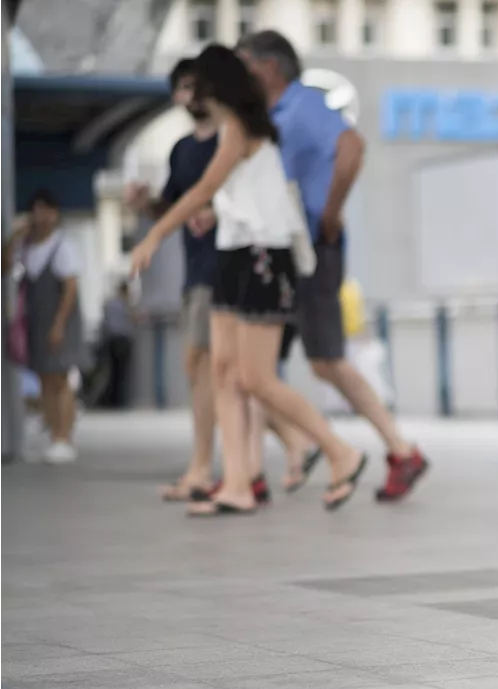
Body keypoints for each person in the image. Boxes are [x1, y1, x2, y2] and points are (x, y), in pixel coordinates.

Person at [130, 44, 367, 515]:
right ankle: (237, 483)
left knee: (256, 378)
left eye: (197, 85)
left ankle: (340, 451)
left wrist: (155, 234)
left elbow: (205, 187)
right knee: (224, 373)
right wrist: (206, 215)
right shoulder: (231, 131)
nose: (191, 96)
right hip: (234, 254)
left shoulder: (241, 128)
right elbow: (227, 195)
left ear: (215, 85)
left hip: (263, 256)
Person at [236, 30, 429, 503]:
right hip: (282, 252)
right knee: (255, 366)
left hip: (311, 250)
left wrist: (331, 211)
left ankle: (400, 450)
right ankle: (256, 470)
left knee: (325, 362)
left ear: (269, 67)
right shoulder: (272, 116)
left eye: (244, 65)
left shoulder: (303, 105)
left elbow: (352, 146)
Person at [126, 58, 221, 499]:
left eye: (195, 85)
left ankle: (208, 469)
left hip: (230, 269)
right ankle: (296, 449)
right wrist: (148, 206)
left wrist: (216, 211)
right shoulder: (182, 150)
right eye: (181, 87)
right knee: (214, 370)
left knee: (218, 370)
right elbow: (175, 208)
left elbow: (239, 198)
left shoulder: (232, 138)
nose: (189, 95)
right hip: (195, 269)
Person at [1, 190, 85, 464]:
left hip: (59, 319)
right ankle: (54, 435)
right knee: (45, 379)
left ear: (55, 214)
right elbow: (4, 266)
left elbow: (71, 289)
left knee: (60, 378)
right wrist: (14, 234)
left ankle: (65, 437)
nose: (40, 217)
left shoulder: (63, 246)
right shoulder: (26, 245)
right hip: (36, 320)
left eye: (45, 211)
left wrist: (59, 324)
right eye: (35, 211)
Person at [99, 280, 135, 409]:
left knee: (113, 372)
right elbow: (132, 320)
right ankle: (120, 400)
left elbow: (105, 322)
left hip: (111, 341)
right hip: (123, 341)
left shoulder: (110, 304)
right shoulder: (126, 305)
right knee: (122, 373)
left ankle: (112, 400)